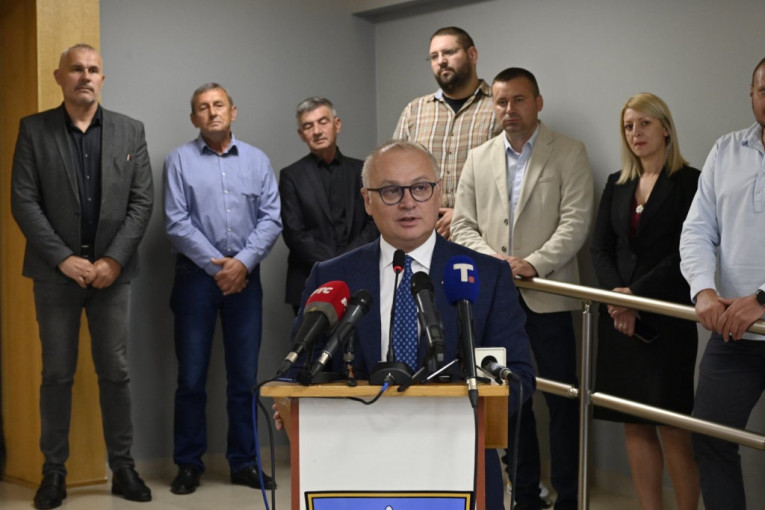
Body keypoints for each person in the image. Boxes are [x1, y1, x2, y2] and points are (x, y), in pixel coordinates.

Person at [289, 140, 536, 510]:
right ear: (367, 200)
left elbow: (519, 376)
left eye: (420, 187)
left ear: (439, 193)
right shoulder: (332, 276)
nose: (408, 202)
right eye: (391, 191)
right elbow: (298, 370)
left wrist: (462, 412)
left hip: (458, 464)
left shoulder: (486, 275)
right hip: (352, 467)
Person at [10, 43, 153, 508]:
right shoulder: (33, 130)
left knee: (116, 372)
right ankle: (53, 474)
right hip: (56, 277)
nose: (85, 76)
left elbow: (141, 202)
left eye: (93, 70)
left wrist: (113, 260)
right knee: (56, 375)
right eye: (76, 69)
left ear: (102, 79)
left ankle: (124, 470)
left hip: (113, 276)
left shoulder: (130, 131)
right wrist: (62, 259)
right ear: (60, 77)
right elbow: (24, 201)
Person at [452, 67, 594, 510]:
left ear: (538, 102)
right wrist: (496, 265)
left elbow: (576, 222)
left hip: (548, 295)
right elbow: (462, 224)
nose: (509, 109)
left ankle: (569, 497)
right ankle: (525, 495)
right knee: (507, 399)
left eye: (518, 99)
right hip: (494, 300)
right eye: (501, 101)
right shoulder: (478, 158)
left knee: (563, 401)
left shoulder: (568, 151)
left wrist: (533, 263)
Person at [163, 83, 282, 495]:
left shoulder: (257, 160)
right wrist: (220, 266)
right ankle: (188, 464)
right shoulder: (179, 160)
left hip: (245, 278)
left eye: (219, 105)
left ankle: (244, 463)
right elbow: (176, 222)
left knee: (244, 378)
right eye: (203, 107)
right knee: (191, 378)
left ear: (233, 111)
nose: (212, 112)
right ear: (193, 118)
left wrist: (242, 263)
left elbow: (271, 218)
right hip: (196, 277)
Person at [590, 93, 700, 510]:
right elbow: (600, 248)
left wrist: (636, 296)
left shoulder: (690, 182)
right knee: (633, 424)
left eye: (644, 124)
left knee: (673, 427)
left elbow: (686, 251)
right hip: (619, 318)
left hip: (667, 319)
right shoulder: (617, 183)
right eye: (628, 126)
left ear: (666, 128)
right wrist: (619, 300)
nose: (635, 133)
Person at [680, 57, 765, 510]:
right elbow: (697, 229)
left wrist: (764, 299)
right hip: (735, 335)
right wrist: (703, 289)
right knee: (710, 437)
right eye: (764, 90)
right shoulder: (726, 150)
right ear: (751, 95)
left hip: (756, 314)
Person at [393, 26, 499, 240]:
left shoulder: (499, 107)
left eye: (449, 52)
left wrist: (463, 213)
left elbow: (513, 180)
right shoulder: (415, 111)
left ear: (472, 55)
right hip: (424, 236)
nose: (441, 61)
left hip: (483, 236)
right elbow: (395, 173)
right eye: (434, 56)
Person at [279, 97, 378, 313]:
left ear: (337, 124)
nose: (317, 131)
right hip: (310, 280)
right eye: (308, 126)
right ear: (301, 134)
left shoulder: (363, 170)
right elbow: (295, 234)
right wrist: (333, 266)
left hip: (359, 275)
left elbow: (374, 223)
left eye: (323, 122)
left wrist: (347, 261)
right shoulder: (291, 176)